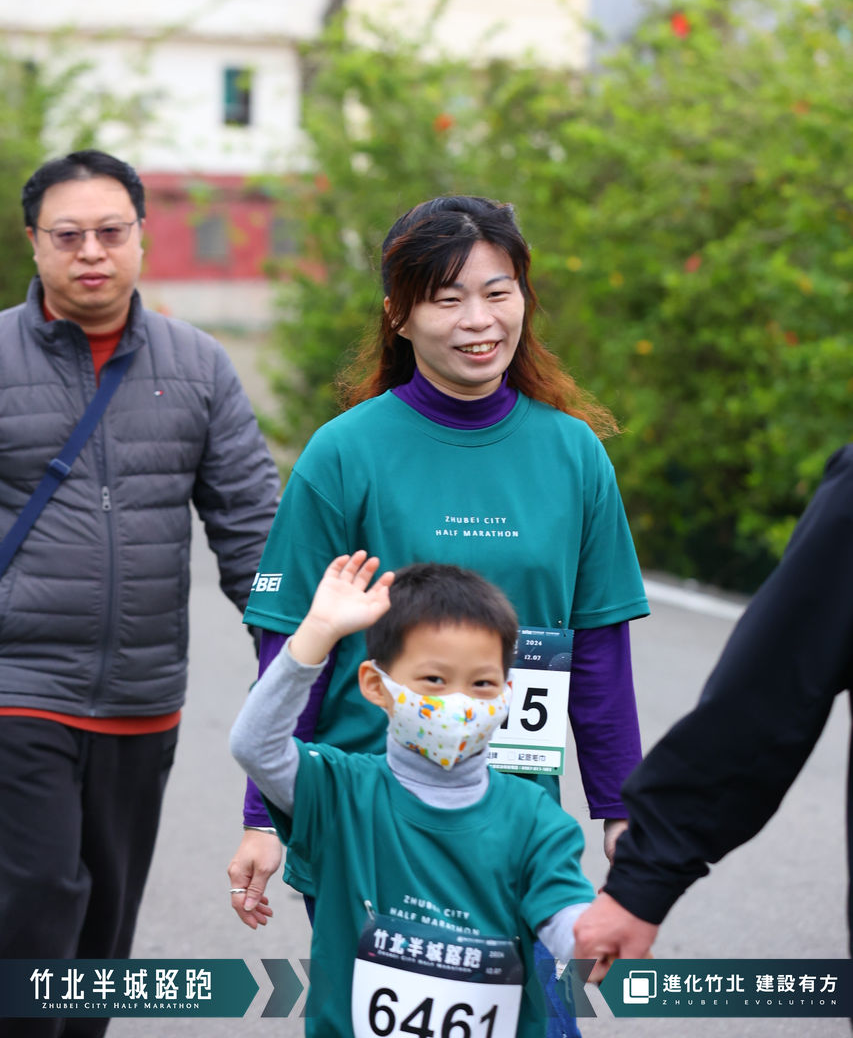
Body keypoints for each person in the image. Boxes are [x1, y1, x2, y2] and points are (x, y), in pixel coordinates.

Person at [228, 195, 649, 1033]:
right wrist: (262, 817)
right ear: (398, 315)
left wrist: (620, 809)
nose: (478, 321)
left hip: (514, 814)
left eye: (497, 292)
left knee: (530, 1016)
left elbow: (599, 650)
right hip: (365, 817)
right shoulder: (344, 453)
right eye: (447, 299)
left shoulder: (573, 454)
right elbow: (289, 641)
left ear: (524, 297)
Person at [0, 150, 280, 1038]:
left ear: (141, 237)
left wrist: (291, 644)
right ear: (34, 243)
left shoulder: (198, 365)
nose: (91, 251)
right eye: (68, 235)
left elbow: (252, 529)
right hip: (16, 687)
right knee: (37, 895)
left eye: (110, 232)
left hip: (140, 697)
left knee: (102, 931)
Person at [230, 550, 595, 1037]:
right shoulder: (339, 792)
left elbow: (566, 916)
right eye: (434, 680)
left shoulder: (535, 820)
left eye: (482, 683)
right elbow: (255, 746)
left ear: (508, 692)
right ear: (375, 685)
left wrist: (598, 939)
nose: (459, 702)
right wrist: (316, 634)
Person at [573, 443, 853, 975]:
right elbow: (769, 699)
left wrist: (641, 870)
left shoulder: (575, 453)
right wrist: (643, 872)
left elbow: (771, 697)